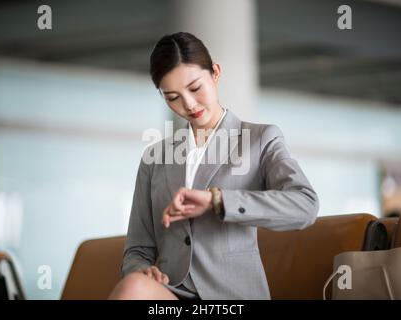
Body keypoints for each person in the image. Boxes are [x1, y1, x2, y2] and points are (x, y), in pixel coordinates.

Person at [108, 32, 319, 300]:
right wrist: (143, 271)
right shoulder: (155, 157)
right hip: (171, 293)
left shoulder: (260, 139)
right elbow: (137, 249)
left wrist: (217, 201)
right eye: (172, 97)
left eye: (195, 88)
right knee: (133, 287)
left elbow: (305, 206)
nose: (189, 105)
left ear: (215, 73)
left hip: (231, 297)